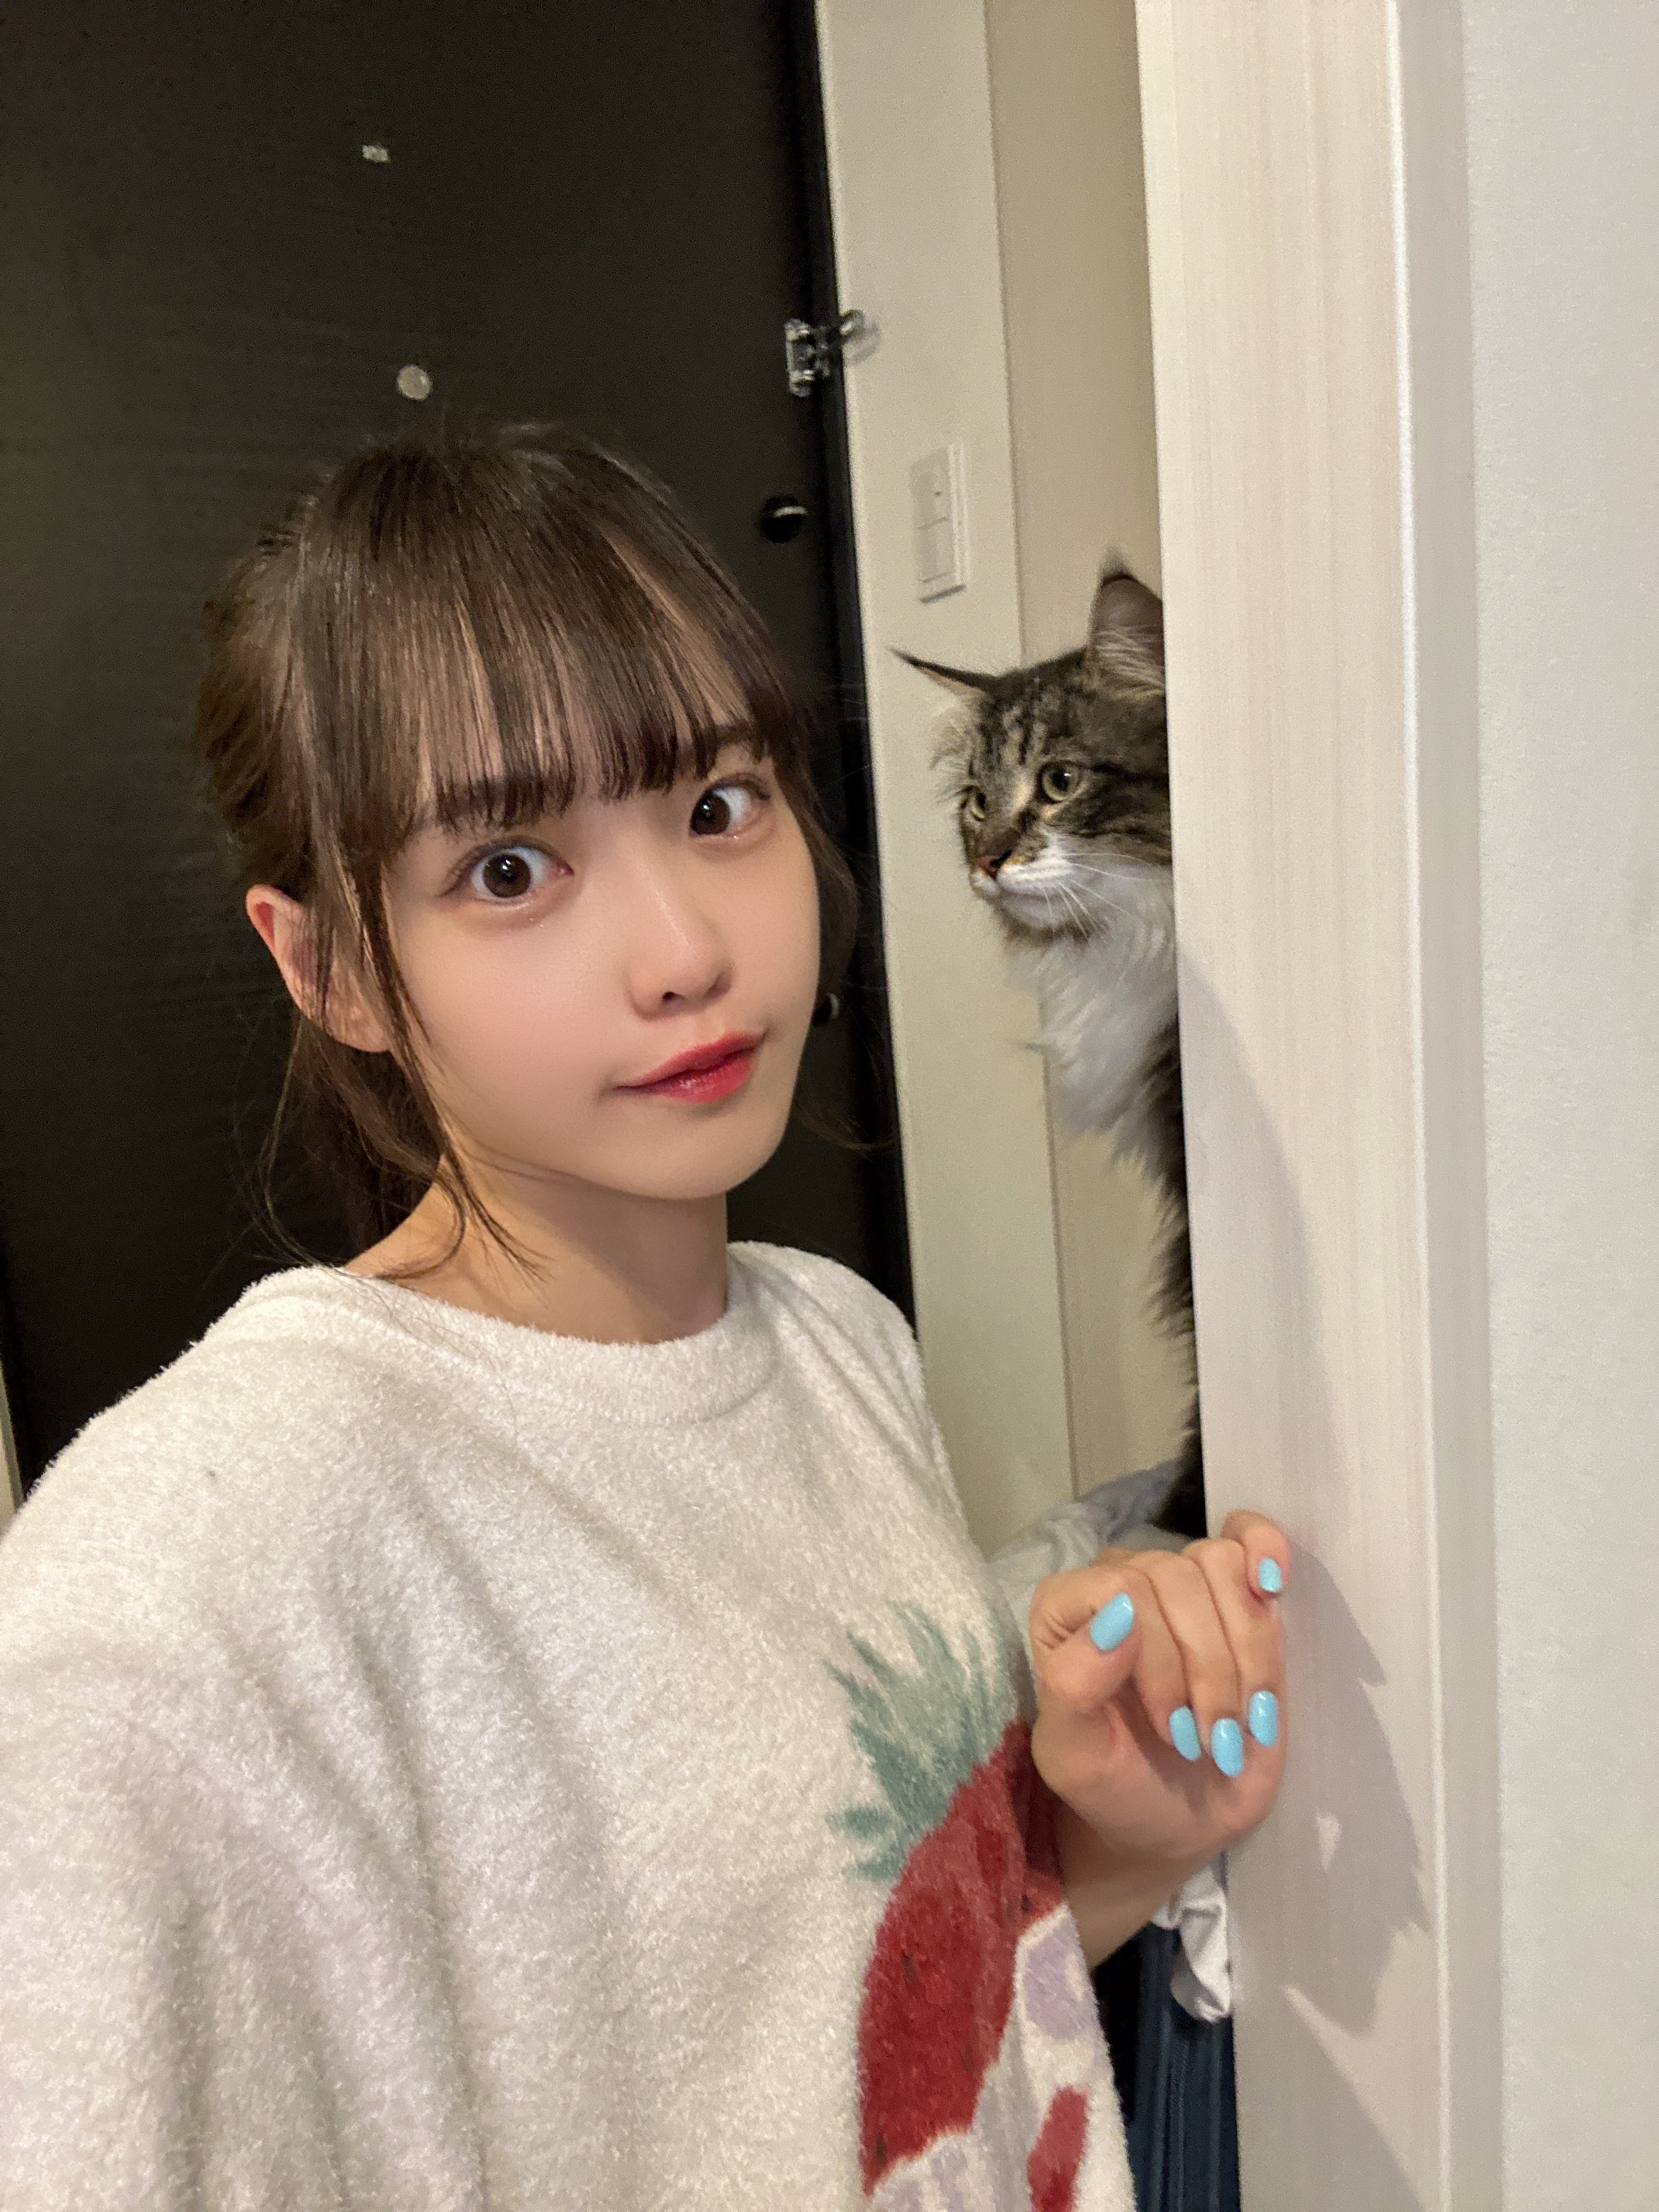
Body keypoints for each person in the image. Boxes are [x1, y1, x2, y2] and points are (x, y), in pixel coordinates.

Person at [0, 427, 1289, 2210]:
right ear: (328, 964)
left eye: (716, 805)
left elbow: (871, 2061)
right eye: (508, 869)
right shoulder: (183, 1568)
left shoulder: (836, 1343)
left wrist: (1112, 1842)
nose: (687, 948)